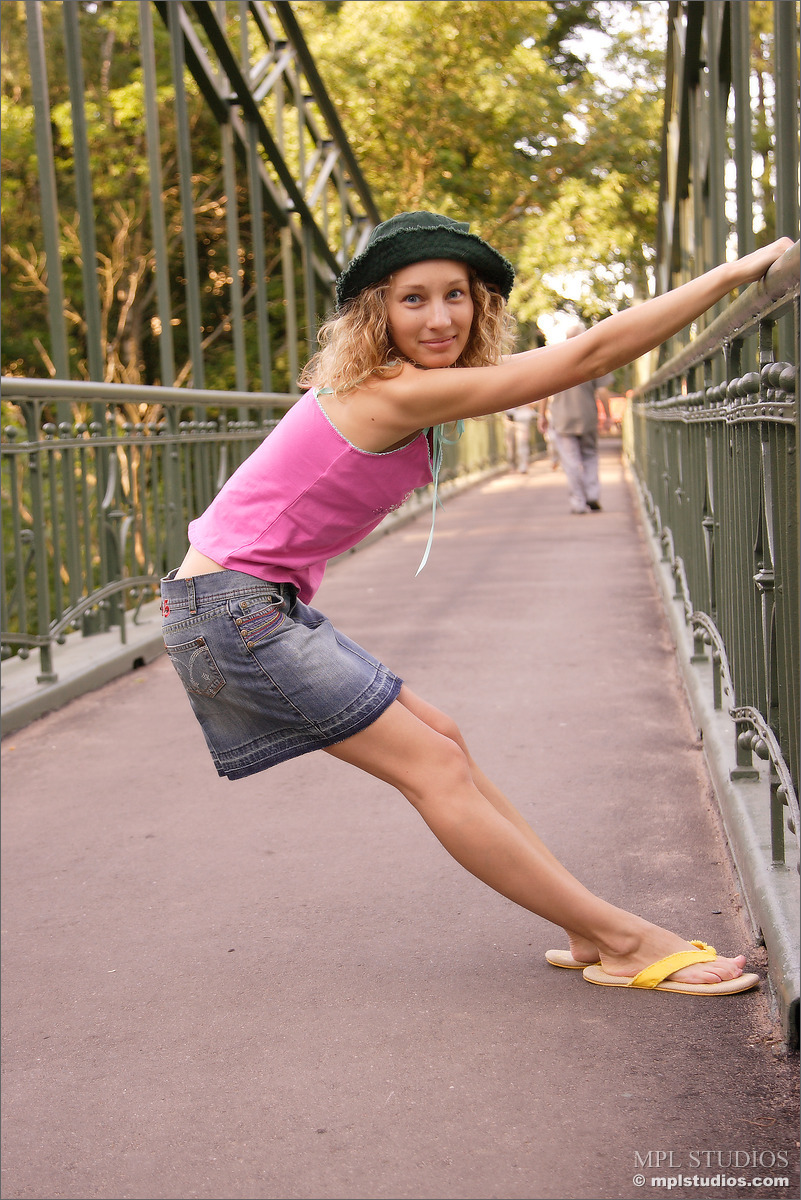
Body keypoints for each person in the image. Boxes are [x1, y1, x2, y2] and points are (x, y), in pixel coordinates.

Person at [161, 210, 793, 996]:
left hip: (242, 605)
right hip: (230, 613)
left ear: (478, 302)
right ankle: (621, 939)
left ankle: (583, 923)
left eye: (454, 295)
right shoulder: (392, 391)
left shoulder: (397, 384)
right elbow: (588, 355)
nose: (439, 318)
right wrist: (733, 273)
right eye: (413, 299)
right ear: (377, 313)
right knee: (433, 769)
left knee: (442, 737)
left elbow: (570, 354)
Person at [538, 321, 613, 512]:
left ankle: (578, 502)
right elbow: (602, 391)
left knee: (571, 461)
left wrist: (542, 415)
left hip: (563, 419)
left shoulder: (556, 361)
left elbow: (544, 391)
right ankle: (592, 495)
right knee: (590, 455)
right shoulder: (594, 360)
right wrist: (608, 416)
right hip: (587, 417)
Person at [504, 402, 538, 473]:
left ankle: (523, 466)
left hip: (522, 418)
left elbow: (534, 403)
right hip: (509, 418)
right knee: (510, 445)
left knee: (522, 443)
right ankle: (513, 465)